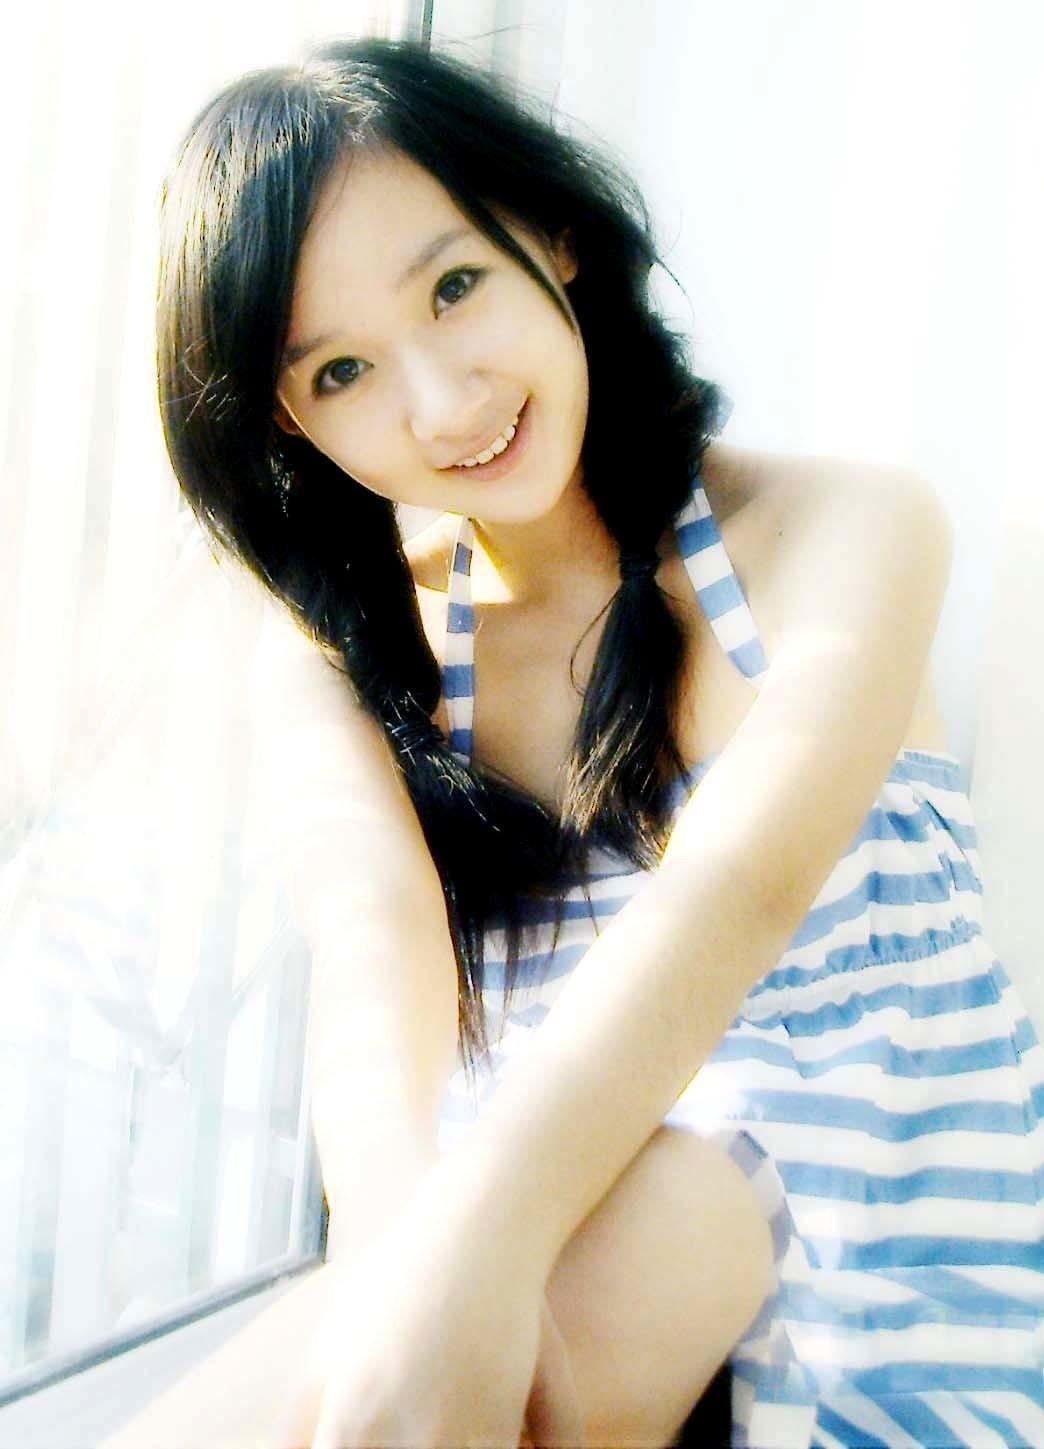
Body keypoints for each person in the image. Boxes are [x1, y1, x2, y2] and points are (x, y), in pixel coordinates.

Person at [109, 34, 1044, 1449]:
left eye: (454, 287)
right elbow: (374, 968)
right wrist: (406, 1278)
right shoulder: (341, 664)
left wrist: (465, 1262)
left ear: (552, 237)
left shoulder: (847, 528)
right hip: (546, 1273)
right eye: (345, 371)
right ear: (290, 428)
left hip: (867, 1277)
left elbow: (733, 901)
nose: (444, 403)